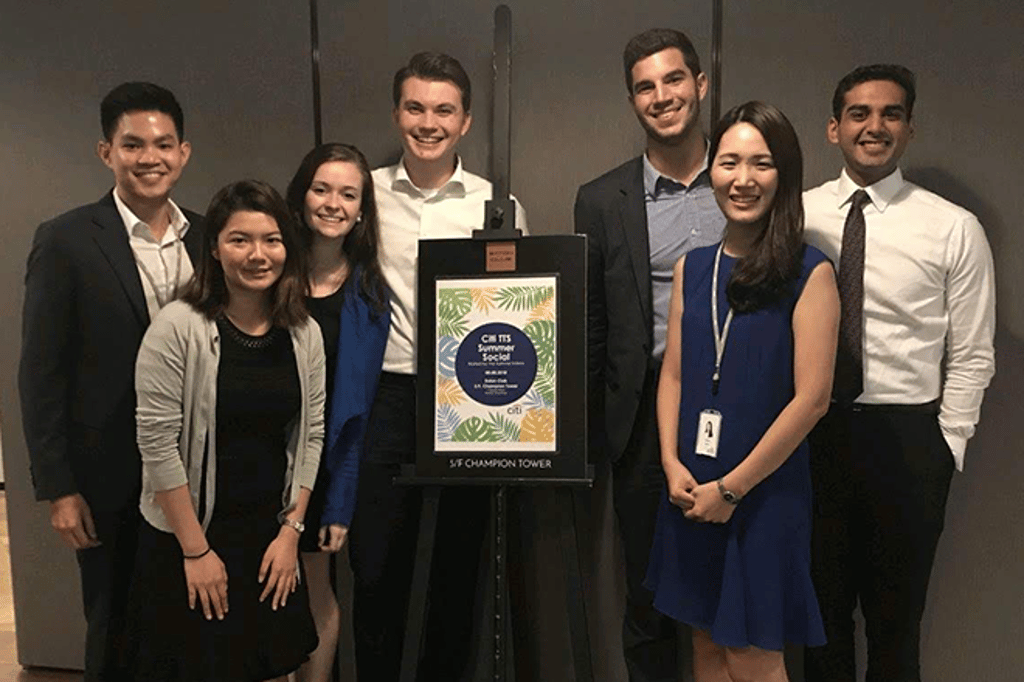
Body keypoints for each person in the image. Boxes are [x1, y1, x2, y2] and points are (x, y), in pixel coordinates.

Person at [802, 64, 996, 682]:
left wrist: (948, 445)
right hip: (814, 437)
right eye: (859, 113)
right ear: (834, 129)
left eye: (890, 114)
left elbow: (972, 352)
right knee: (820, 626)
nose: (874, 126)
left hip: (909, 445)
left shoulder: (953, 227)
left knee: (895, 629)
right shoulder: (796, 217)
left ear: (910, 128)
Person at [348, 51, 527, 681]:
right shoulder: (362, 193)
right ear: (397, 114)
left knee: (458, 566)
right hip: (385, 396)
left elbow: (518, 311)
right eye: (416, 107)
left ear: (467, 120)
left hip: (469, 404)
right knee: (375, 567)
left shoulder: (496, 205)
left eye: (443, 109)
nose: (429, 122)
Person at [645, 101, 839, 682]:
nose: (743, 179)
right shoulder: (693, 268)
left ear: (785, 175)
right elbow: (674, 374)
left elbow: (813, 399)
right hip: (691, 488)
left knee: (752, 657)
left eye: (762, 163)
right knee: (705, 646)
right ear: (712, 172)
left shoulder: (811, 271)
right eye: (729, 162)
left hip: (762, 495)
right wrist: (670, 462)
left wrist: (731, 490)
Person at [18, 81, 199, 682]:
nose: (150, 158)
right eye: (133, 145)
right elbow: (40, 372)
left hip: (198, 467)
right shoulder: (66, 239)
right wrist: (59, 488)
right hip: (108, 472)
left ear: (184, 152)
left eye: (163, 144)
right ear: (106, 153)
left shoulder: (210, 236)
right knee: (114, 620)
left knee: (193, 618)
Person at [573, 28, 724, 681]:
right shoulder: (602, 200)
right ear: (633, 100)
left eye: (673, 80)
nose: (662, 96)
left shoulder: (747, 181)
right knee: (648, 597)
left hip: (736, 414)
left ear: (700, 84)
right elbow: (593, 327)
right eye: (645, 86)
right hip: (639, 426)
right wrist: (589, 437)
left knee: (730, 596)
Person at [129, 179, 324, 682]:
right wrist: (196, 552)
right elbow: (157, 445)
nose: (258, 254)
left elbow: (311, 435)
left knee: (271, 667)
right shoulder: (178, 326)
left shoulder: (304, 331)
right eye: (240, 239)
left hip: (269, 538)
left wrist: (291, 532)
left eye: (271, 239)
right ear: (214, 248)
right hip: (192, 538)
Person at [285, 143, 390, 682]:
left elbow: (358, 410)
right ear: (301, 195)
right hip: (256, 456)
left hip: (323, 466)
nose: (333, 203)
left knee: (314, 588)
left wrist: (340, 503)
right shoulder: (268, 269)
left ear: (362, 210)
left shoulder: (368, 294)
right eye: (321, 188)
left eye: (348, 194)